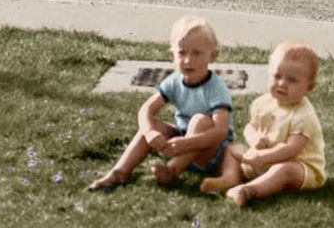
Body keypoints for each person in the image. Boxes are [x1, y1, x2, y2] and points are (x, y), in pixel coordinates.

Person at [88, 16, 233, 190]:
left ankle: (172, 171)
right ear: (172, 54)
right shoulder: (174, 82)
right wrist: (150, 133)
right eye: (182, 53)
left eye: (196, 53)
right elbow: (146, 110)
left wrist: (187, 143)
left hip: (211, 153)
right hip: (182, 143)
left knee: (200, 120)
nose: (188, 60)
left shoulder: (215, 88)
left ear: (213, 55)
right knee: (151, 125)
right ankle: (119, 173)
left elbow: (220, 132)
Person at [201, 41, 326, 207]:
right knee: (232, 149)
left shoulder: (303, 115)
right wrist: (254, 140)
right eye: (277, 76)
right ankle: (230, 178)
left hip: (299, 167)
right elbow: (250, 127)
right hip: (263, 159)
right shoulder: (263, 102)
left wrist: (263, 157)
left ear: (309, 87)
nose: (282, 83)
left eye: (292, 80)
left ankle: (248, 190)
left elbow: (291, 150)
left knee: (284, 169)